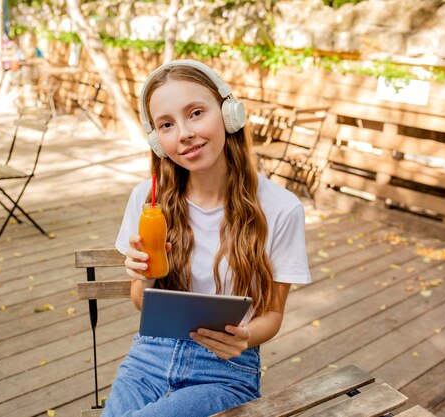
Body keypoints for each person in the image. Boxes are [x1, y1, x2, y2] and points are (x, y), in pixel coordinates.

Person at [105, 59, 311, 417]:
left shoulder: (281, 208)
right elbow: (142, 302)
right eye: (166, 124)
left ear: (230, 113)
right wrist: (143, 275)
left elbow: (273, 314)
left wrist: (245, 337)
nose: (183, 133)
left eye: (196, 113)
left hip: (225, 371)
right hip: (148, 358)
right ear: (157, 139)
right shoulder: (148, 200)